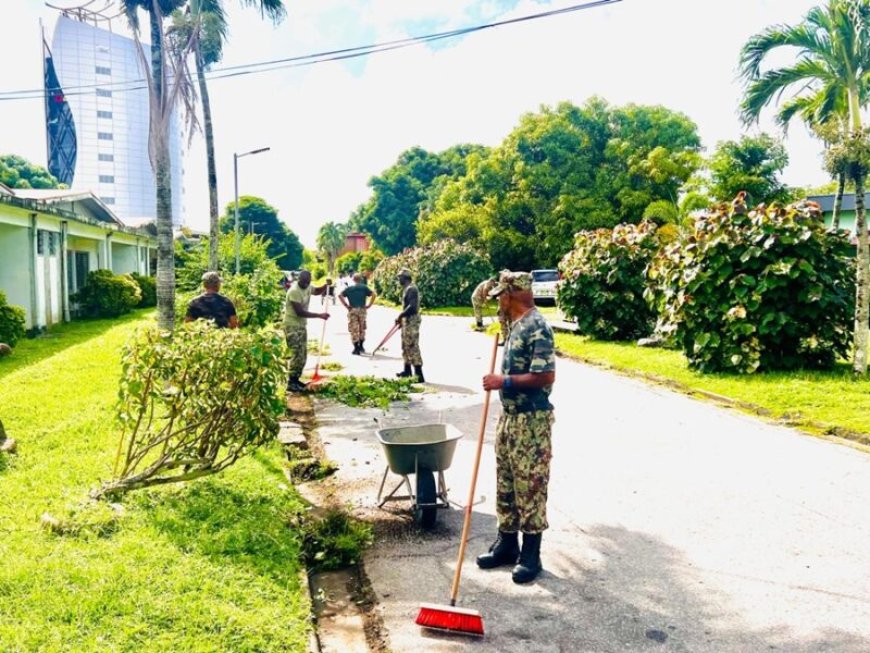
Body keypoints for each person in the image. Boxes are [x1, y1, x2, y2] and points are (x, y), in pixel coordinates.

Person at [477, 270, 556, 584]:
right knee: (506, 482)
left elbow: (545, 376)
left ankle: (530, 554)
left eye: (502, 295)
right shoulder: (513, 326)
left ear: (513, 294)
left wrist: (503, 381)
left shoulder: (538, 327)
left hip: (531, 421)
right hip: (509, 418)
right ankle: (507, 544)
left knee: (530, 486)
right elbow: (486, 297)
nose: (499, 301)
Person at [284, 270, 331, 392]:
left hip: (301, 325)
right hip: (292, 325)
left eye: (308, 282)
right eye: (304, 282)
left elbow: (316, 291)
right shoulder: (294, 291)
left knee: (303, 354)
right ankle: (291, 382)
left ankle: (296, 379)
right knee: (297, 353)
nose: (306, 284)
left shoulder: (308, 287)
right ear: (299, 279)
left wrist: (326, 286)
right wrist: (319, 315)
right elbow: (299, 312)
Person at [394, 268, 424, 382]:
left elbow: (412, 307)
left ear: (405, 278)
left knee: (412, 345)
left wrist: (401, 315)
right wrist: (401, 319)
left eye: (400, 278)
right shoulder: (406, 288)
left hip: (412, 320)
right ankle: (407, 370)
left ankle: (418, 374)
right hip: (407, 320)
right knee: (405, 345)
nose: (399, 280)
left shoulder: (412, 289)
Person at [339, 273, 377, 355]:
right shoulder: (364, 287)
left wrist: (346, 305)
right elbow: (373, 294)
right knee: (362, 327)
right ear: (361, 279)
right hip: (362, 310)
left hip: (352, 310)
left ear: (353, 280)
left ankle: (356, 348)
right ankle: (361, 346)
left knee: (354, 328)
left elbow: (340, 295)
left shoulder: (349, 288)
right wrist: (369, 305)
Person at [471, 275, 510, 342]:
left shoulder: (489, 283)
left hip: (476, 296)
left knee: (478, 311)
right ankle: (479, 326)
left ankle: (479, 325)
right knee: (478, 311)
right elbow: (484, 290)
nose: (494, 285)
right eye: (493, 283)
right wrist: (485, 300)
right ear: (491, 281)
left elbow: (495, 287)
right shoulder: (488, 283)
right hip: (477, 297)